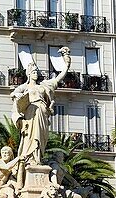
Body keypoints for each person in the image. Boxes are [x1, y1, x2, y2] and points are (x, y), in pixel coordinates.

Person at [9, 49, 71, 186]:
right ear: (28, 74)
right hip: (31, 114)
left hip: (42, 114)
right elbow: (13, 94)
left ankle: (38, 158)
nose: (36, 74)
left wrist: (66, 65)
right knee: (32, 138)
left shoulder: (44, 86)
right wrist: (17, 96)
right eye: (33, 72)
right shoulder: (24, 87)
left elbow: (58, 78)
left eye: (37, 72)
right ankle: (32, 160)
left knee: (41, 138)